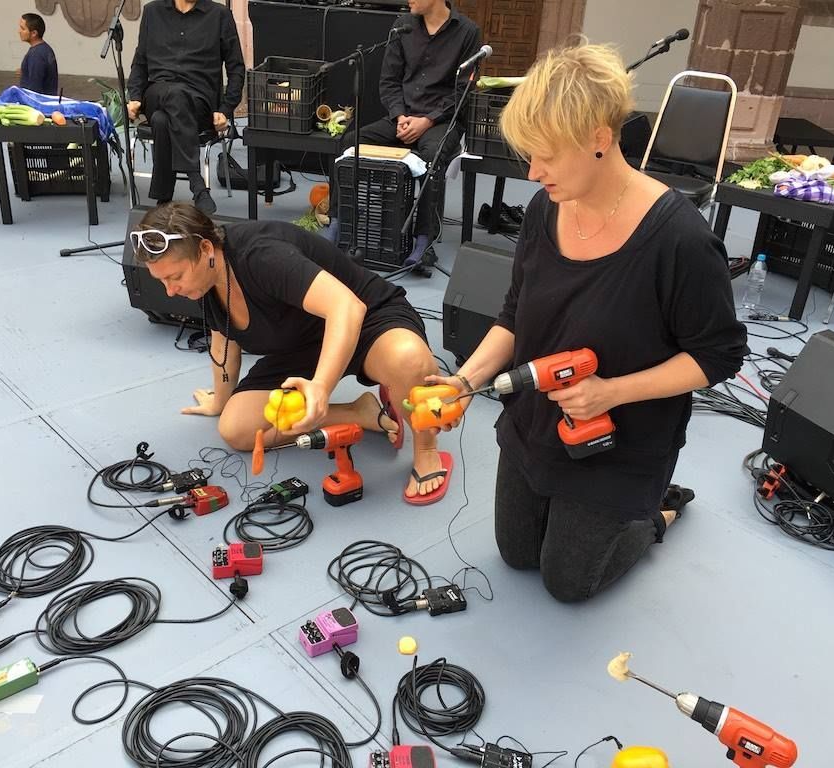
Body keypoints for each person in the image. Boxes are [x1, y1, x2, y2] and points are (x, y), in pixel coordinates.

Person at [428, 43, 746, 602]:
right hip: (539, 417)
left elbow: (718, 355)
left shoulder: (681, 239)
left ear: (600, 138)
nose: (532, 171)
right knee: (516, 553)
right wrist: (465, 381)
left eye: (546, 155)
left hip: (620, 436)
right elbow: (512, 316)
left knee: (568, 583)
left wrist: (611, 393)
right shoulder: (544, 207)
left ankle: (656, 515)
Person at [132, 203, 453, 504]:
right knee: (238, 429)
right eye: (161, 281)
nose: (170, 291)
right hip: (300, 346)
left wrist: (321, 389)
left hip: (366, 320)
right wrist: (219, 401)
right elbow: (223, 342)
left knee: (409, 359)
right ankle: (360, 412)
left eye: (175, 277)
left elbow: (347, 307)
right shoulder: (205, 279)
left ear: (205, 250)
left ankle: (426, 448)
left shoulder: (260, 255)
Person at [325, 0, 479, 265]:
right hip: (402, 116)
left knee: (433, 155)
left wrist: (428, 121)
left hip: (441, 120)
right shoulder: (402, 27)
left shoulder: (467, 32)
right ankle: (340, 223)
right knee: (351, 143)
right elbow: (389, 81)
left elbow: (463, 91)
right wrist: (399, 115)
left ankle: (422, 240)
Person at [126, 0, 245, 216]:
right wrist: (134, 96)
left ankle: (163, 199)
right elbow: (140, 62)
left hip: (199, 100)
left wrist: (226, 109)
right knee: (173, 94)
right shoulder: (152, 12)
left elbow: (236, 67)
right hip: (157, 92)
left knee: (163, 120)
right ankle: (197, 184)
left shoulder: (219, 15)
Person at [18, 13, 58, 96]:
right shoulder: (44, 49)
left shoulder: (36, 55)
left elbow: (35, 88)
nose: (19, 31)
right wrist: (25, 71)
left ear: (34, 33)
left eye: (23, 29)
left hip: (38, 103)